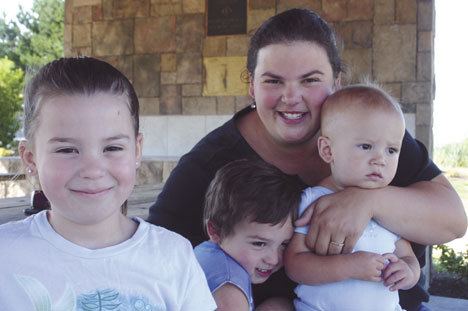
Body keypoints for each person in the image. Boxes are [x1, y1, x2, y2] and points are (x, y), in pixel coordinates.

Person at [147, 8, 467, 310]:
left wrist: (367, 202)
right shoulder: (211, 163)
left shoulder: (373, 136)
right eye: (273, 80)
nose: (291, 97)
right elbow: (151, 257)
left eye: (310, 80)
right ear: (251, 86)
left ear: (336, 82)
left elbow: (453, 222)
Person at [0, 57, 216, 310]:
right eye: (67, 150)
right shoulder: (6, 255)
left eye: (112, 147)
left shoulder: (173, 255)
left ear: (136, 151)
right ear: (30, 157)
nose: (93, 170)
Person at [285, 84, 421, 310]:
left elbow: (408, 257)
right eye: (366, 146)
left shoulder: (389, 206)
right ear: (328, 150)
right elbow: (294, 265)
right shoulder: (314, 200)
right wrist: (348, 266)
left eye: (391, 150)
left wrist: (408, 272)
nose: (380, 159)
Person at [194, 159, 302, 310]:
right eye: (259, 243)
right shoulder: (229, 289)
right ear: (215, 231)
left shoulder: (206, 253)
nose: (274, 259)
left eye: (284, 244)